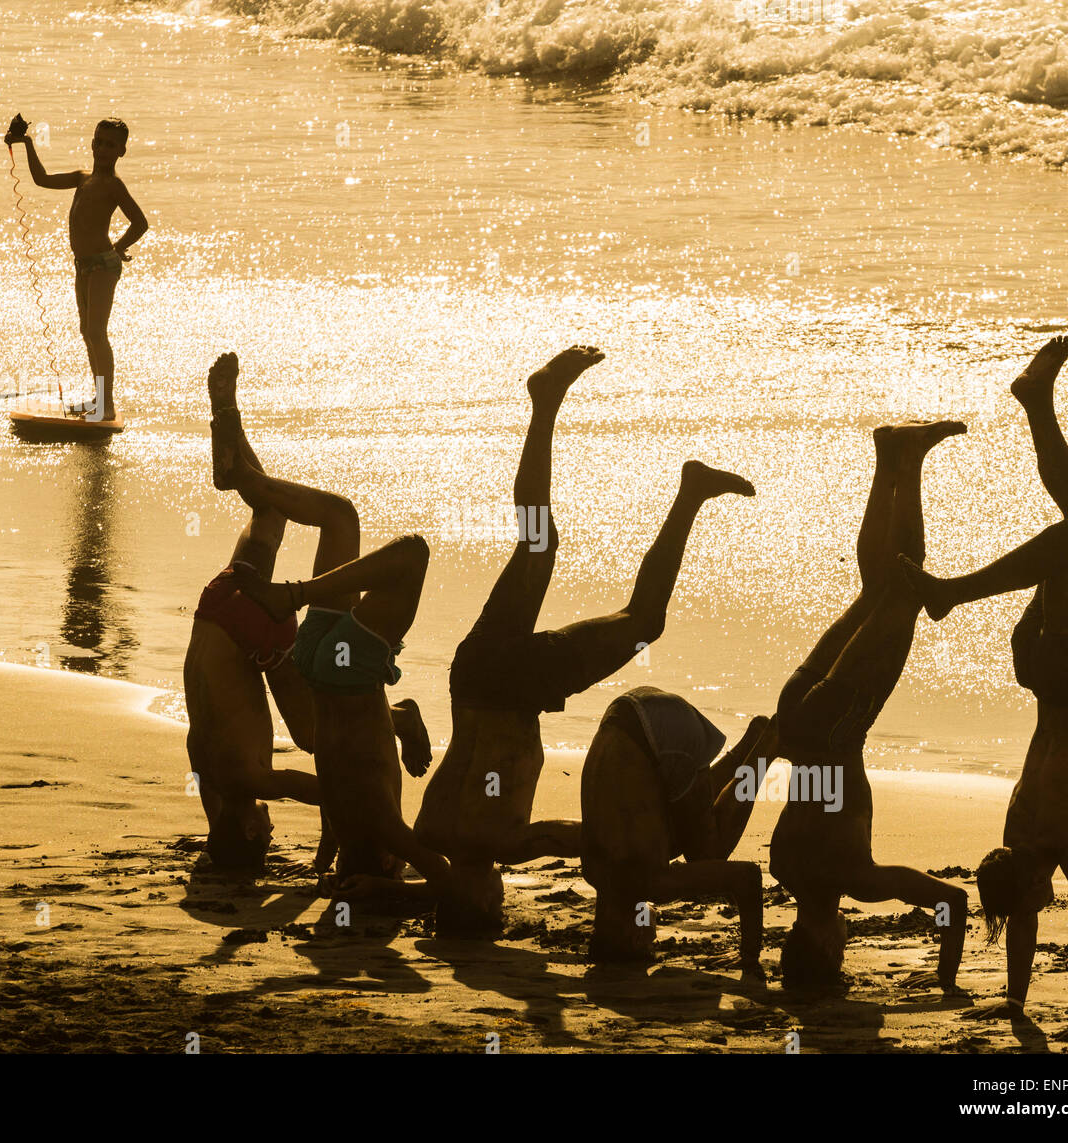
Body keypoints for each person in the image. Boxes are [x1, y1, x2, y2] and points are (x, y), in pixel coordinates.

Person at [413, 346, 756, 935]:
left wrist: (651, 852)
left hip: (517, 687)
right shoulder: (430, 834)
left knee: (645, 620)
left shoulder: (508, 844)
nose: (502, 901)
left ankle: (690, 495)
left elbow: (583, 838)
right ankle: (545, 405)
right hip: (470, 676)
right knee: (536, 543)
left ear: (479, 899)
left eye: (492, 907)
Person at [900, 336, 1068, 1041]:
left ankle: (950, 594)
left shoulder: (1052, 838)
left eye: (1027, 896)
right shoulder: (1023, 835)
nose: (1035, 904)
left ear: (1024, 878)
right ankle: (1037, 403)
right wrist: (1016, 1004)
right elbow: (1037, 927)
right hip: (1040, 667)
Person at [186, 353, 430, 873]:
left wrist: (332, 841)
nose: (269, 830)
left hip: (258, 634)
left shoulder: (244, 783)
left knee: (318, 732)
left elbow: (327, 787)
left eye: (263, 836)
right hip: (216, 607)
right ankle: (230, 431)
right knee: (268, 513)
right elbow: (221, 840)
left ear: (251, 826)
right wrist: (215, 856)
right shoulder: (207, 782)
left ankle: (397, 718)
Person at [769, 421, 970, 994]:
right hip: (794, 717)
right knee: (873, 590)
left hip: (837, 726)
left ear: (828, 945)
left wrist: (947, 982)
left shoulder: (856, 880)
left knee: (905, 591)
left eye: (836, 952)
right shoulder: (782, 868)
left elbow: (950, 901)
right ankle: (887, 457)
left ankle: (909, 462)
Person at [579, 687, 776, 969]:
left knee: (708, 854)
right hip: (625, 713)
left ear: (635, 936)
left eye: (649, 941)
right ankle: (751, 742)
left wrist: (749, 955)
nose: (654, 935)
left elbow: (747, 876)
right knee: (685, 835)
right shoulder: (594, 870)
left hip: (664, 735)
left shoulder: (649, 883)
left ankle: (768, 746)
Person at [3, 115, 147, 421]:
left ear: (122, 151)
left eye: (112, 145)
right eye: (101, 142)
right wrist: (27, 143)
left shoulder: (114, 186)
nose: (105, 149)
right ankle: (99, 399)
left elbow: (140, 222)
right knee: (86, 331)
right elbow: (42, 179)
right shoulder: (83, 178)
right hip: (83, 266)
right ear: (93, 144)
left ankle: (106, 405)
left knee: (97, 332)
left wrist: (119, 247)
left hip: (103, 266)